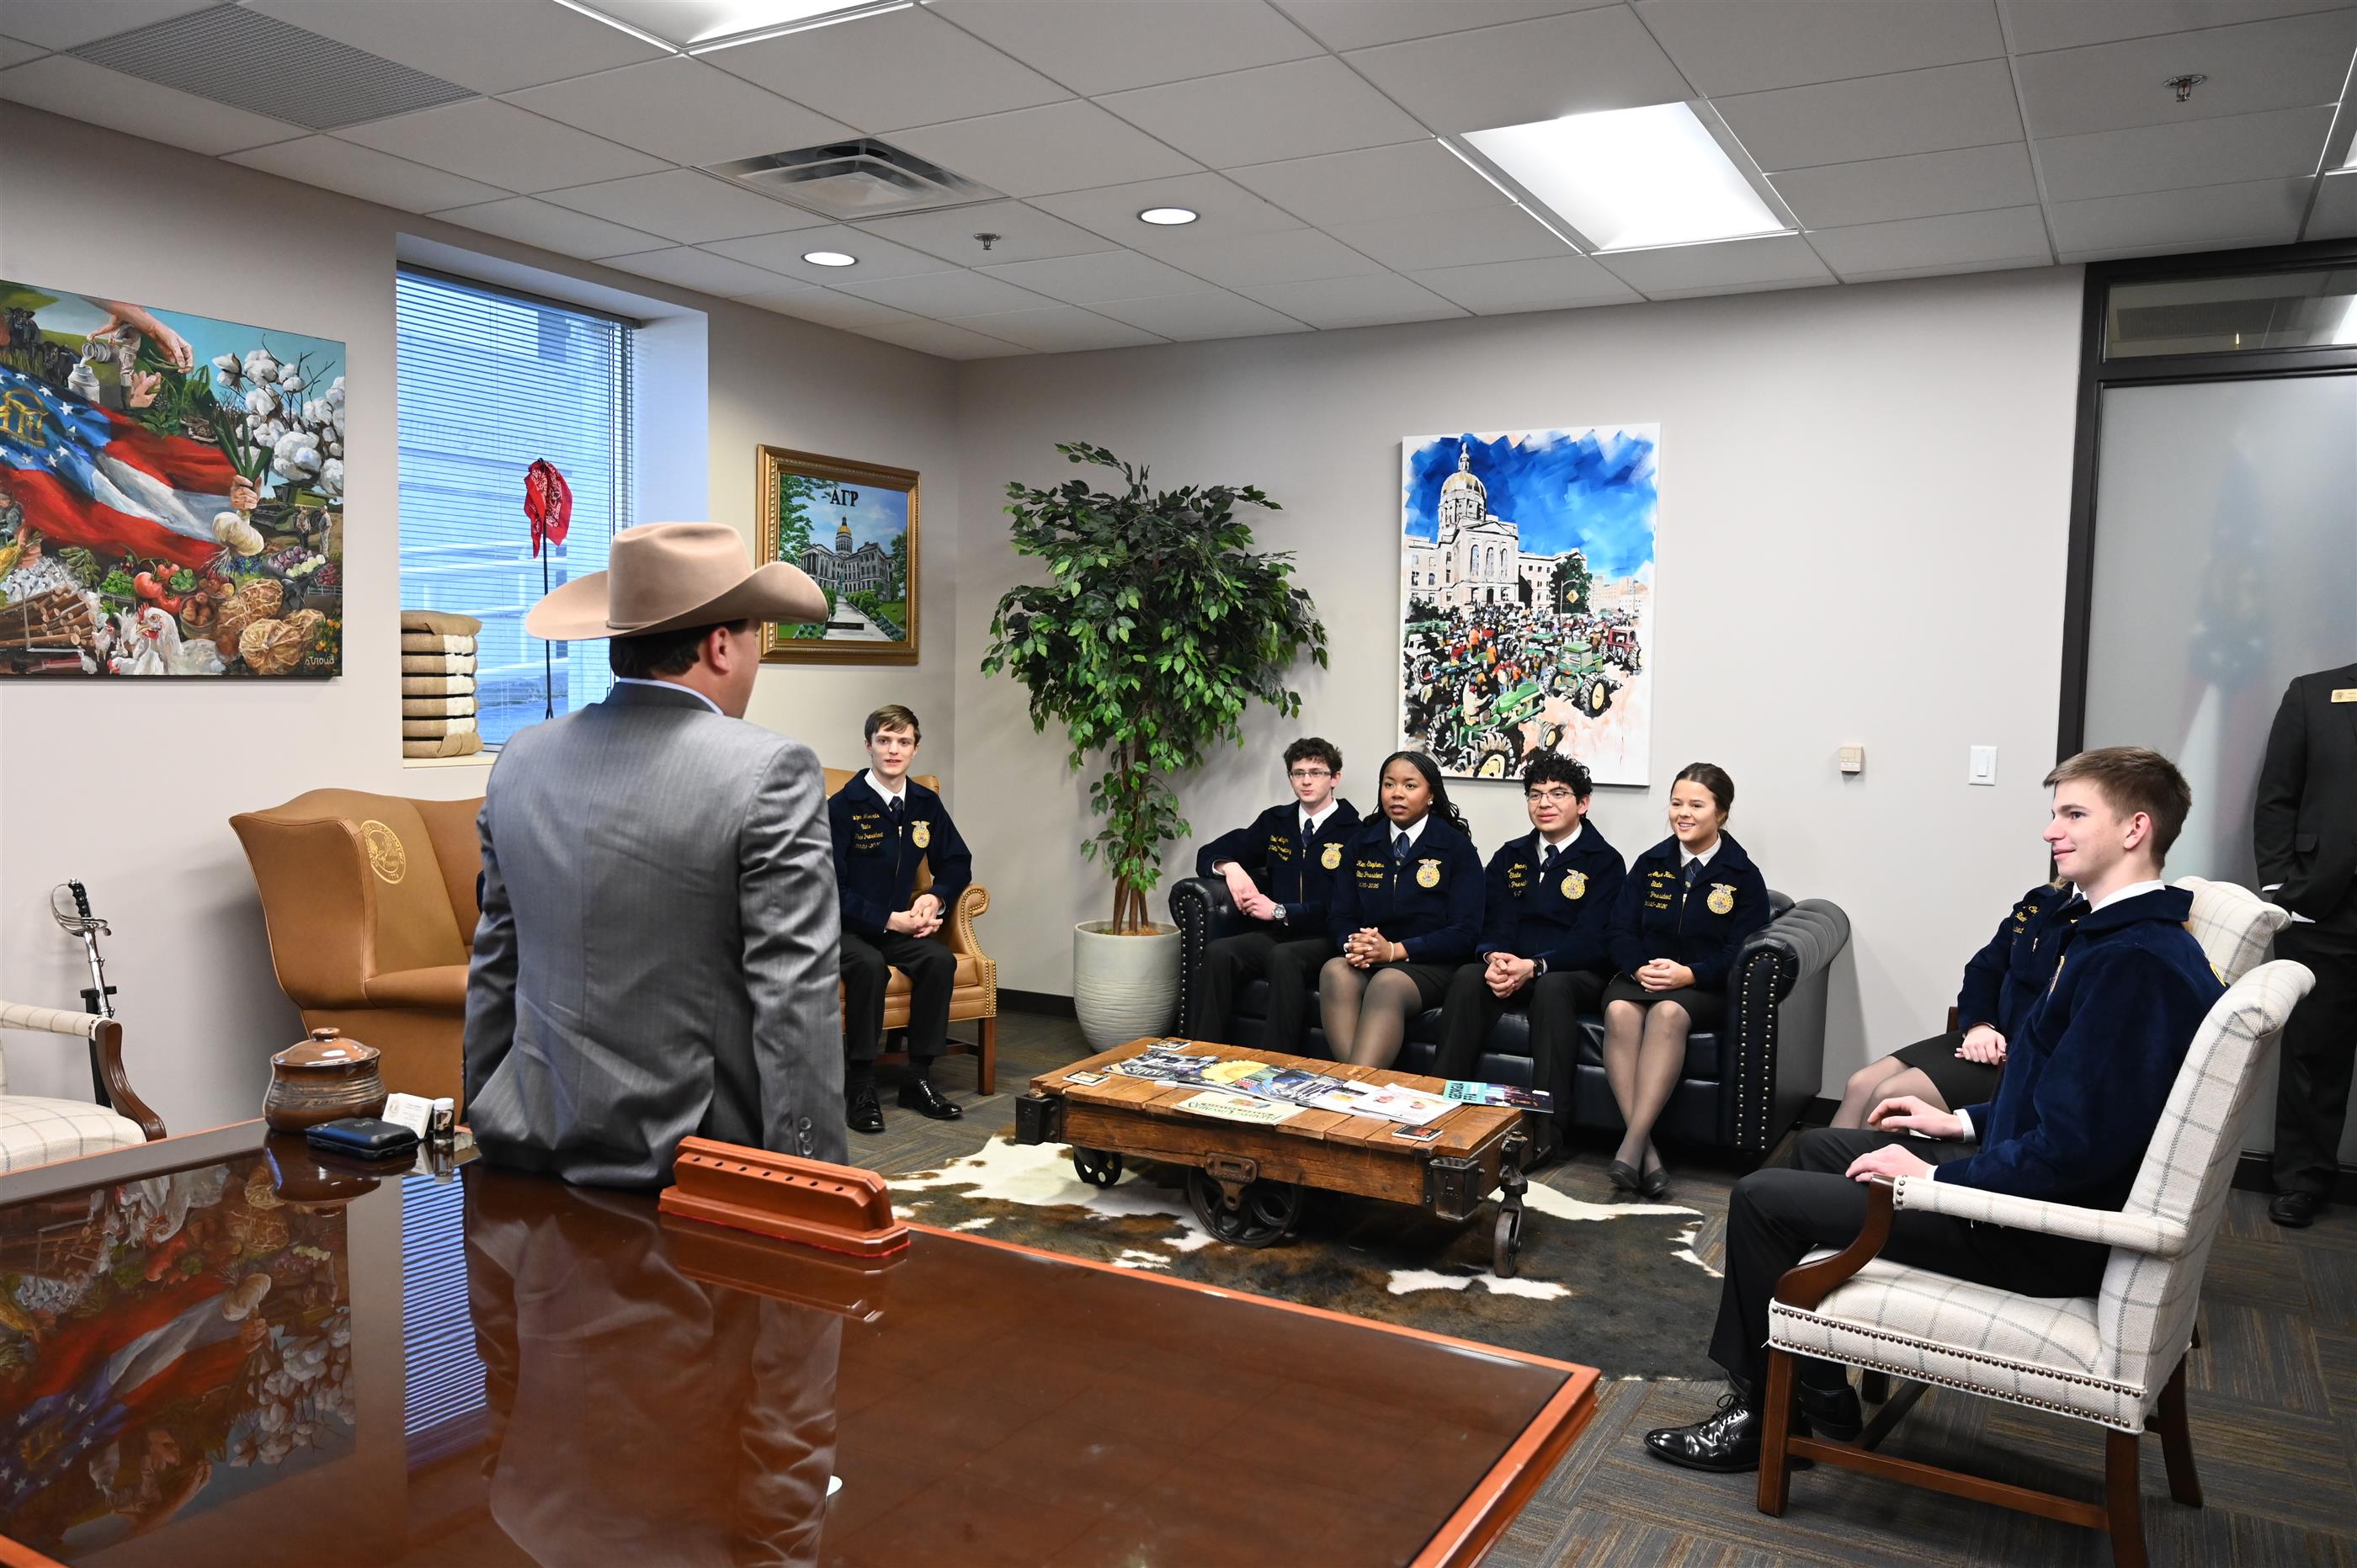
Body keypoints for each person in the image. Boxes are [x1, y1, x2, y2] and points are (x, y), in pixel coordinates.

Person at [1645, 747, 2224, 1474]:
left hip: (2035, 1229)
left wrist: (1931, 1179)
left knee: (1760, 1199)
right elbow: (2076, 1101)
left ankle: (1762, 1416)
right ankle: (1813, 1383)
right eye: (2055, 813)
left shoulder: (2133, 964)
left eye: (2074, 814)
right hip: (2023, 1181)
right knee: (1819, 1148)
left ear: (2136, 828)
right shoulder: (2114, 936)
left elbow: (2074, 1152)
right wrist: (1963, 1124)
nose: (2051, 830)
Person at [464, 521, 843, 1186]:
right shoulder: (770, 770)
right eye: (756, 637)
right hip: (697, 1171)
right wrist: (814, 1190)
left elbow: (495, 965)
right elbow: (794, 1003)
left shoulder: (522, 757)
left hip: (526, 1152)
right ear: (721, 645)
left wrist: (484, 1120)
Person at [1599, 763, 1770, 1198]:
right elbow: (1618, 930)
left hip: (1701, 986)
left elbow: (1738, 952)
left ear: (1722, 813)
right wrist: (1637, 967)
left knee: (1668, 1014)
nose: (1683, 814)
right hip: (1643, 975)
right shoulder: (1650, 863)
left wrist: (1691, 973)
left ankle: (1632, 1146)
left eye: (1696, 805)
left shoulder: (1742, 876)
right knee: (1619, 1011)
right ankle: (1646, 1153)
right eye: (1677, 804)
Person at [1434, 754, 1625, 1140]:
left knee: (1553, 989)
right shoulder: (1511, 855)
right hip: (1516, 966)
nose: (1544, 803)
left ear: (1583, 803)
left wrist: (1536, 966)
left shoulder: (1605, 862)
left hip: (1573, 972)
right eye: (1535, 795)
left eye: (1558, 794)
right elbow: (1493, 920)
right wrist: (1493, 957)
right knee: (1469, 977)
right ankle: (1440, 1106)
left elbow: (1592, 939)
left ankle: (1547, 1130)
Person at [1830, 877, 2083, 1128]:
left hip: (2025, 1058)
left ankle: (1867, 1158)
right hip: (1986, 1034)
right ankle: (1826, 1158)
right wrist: (1980, 1025)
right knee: (1861, 1084)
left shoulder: (2097, 923)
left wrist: (2001, 1044)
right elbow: (1984, 969)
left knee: (1890, 1095)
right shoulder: (2044, 900)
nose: (2055, 848)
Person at [830, 704, 972, 1134]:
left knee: (938, 960)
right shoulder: (842, 806)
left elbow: (957, 862)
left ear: (915, 749)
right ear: (868, 745)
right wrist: (889, 920)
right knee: (868, 966)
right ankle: (861, 1085)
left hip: (897, 924)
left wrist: (935, 898)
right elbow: (829, 887)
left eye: (903, 742)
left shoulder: (925, 803)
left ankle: (918, 1078)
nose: (894, 750)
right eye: (884, 740)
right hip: (843, 928)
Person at [2255, 660, 2357, 1227]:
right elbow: (2277, 796)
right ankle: (2302, 1180)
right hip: (2324, 905)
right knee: (2313, 1051)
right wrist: (2281, 887)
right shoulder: (2314, 694)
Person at [1186, 737, 1360, 1050]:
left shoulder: (1355, 832)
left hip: (1325, 936)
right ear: (1290, 778)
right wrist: (1231, 868)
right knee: (1219, 953)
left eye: (1316, 773)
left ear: (1335, 778)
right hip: (1278, 932)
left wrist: (1282, 911)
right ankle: (1201, 1053)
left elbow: (1346, 905)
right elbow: (1208, 853)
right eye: (1298, 773)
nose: (1306, 781)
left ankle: (1274, 1061)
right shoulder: (1276, 822)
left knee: (1284, 958)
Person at [1317, 751, 1483, 1069]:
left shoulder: (1456, 848)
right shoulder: (1362, 843)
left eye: (1410, 785)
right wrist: (1354, 944)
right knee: (1335, 971)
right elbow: (1340, 914)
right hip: (1371, 955)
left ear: (1431, 794)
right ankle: (1357, 1084)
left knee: (1388, 983)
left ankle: (1352, 1087)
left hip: (1430, 962)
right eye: (1389, 784)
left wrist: (1395, 951)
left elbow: (1465, 932)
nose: (1397, 793)